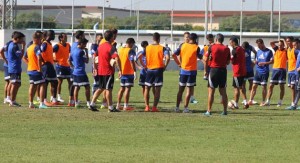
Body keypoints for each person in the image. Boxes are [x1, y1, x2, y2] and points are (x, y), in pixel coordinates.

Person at [89, 30, 121, 112]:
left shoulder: (100, 46)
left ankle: (92, 104)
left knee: (100, 88)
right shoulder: (111, 47)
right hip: (108, 72)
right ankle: (110, 107)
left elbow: (94, 57)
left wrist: (95, 68)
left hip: (100, 71)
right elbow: (116, 58)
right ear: (112, 37)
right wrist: (120, 70)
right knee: (108, 89)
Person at [172, 33, 201, 113]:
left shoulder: (182, 46)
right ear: (195, 39)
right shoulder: (196, 47)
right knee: (188, 91)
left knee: (180, 90)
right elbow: (201, 57)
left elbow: (173, 54)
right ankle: (185, 108)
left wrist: (178, 63)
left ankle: (177, 107)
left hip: (183, 71)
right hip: (192, 72)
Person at [203, 33, 230, 116]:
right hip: (223, 71)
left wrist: (205, 70)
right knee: (223, 91)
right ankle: (225, 111)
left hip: (214, 70)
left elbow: (205, 58)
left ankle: (209, 111)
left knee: (211, 91)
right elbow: (228, 62)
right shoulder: (227, 48)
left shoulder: (212, 47)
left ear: (216, 39)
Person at [143, 32, 170, 112]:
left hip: (149, 69)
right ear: (159, 39)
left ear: (153, 39)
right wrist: (165, 66)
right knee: (157, 89)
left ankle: (147, 106)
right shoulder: (162, 48)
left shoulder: (147, 48)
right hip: (158, 69)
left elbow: (141, 56)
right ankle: (154, 107)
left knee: (147, 88)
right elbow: (167, 58)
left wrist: (145, 65)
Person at [23, 31, 47, 109]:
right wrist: (40, 68)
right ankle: (41, 103)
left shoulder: (29, 47)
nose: (41, 41)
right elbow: (39, 57)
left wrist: (29, 64)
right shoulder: (36, 47)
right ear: (36, 39)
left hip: (30, 70)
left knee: (32, 86)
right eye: (40, 39)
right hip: (36, 70)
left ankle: (31, 103)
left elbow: (24, 57)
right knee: (43, 84)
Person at [248, 39, 273, 106]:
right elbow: (256, 60)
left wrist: (264, 63)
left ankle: (263, 101)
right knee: (254, 86)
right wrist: (255, 62)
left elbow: (272, 61)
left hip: (265, 72)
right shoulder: (258, 51)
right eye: (257, 45)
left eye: (259, 45)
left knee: (263, 86)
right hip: (258, 71)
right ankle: (250, 100)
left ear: (262, 43)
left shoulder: (269, 51)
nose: (258, 46)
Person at [264, 40, 287, 107]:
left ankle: (280, 101)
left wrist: (284, 41)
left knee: (281, 86)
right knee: (271, 86)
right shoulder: (276, 49)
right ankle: (267, 101)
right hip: (275, 70)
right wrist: (278, 40)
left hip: (282, 70)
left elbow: (287, 46)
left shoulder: (285, 50)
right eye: (279, 45)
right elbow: (271, 43)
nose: (279, 46)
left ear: (283, 45)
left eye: (281, 45)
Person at [69, 38, 90, 108]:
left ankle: (76, 103)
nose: (85, 46)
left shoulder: (73, 51)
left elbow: (68, 60)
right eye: (85, 44)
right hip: (81, 72)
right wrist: (86, 52)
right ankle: (88, 102)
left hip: (75, 72)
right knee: (87, 87)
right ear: (81, 44)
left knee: (76, 87)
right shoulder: (81, 52)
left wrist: (72, 66)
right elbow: (86, 61)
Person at [116, 38, 136, 111]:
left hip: (122, 71)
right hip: (128, 72)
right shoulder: (130, 50)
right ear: (130, 43)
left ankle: (118, 105)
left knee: (121, 89)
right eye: (133, 44)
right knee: (127, 89)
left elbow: (117, 60)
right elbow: (131, 61)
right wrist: (134, 71)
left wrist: (119, 70)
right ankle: (125, 106)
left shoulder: (121, 49)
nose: (133, 46)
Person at [228, 36, 248, 109]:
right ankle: (245, 102)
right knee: (242, 87)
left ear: (233, 42)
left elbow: (232, 61)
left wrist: (229, 57)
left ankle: (235, 104)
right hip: (243, 70)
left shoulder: (234, 50)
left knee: (236, 88)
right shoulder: (242, 49)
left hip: (237, 71)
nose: (230, 44)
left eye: (230, 42)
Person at [7, 31, 25, 107]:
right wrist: (23, 47)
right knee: (15, 84)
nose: (22, 40)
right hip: (15, 68)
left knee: (15, 83)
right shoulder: (14, 46)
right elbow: (20, 56)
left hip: (12, 67)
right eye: (21, 39)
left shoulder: (10, 44)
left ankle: (11, 99)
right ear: (17, 39)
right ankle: (12, 101)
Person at [41, 30, 59, 106]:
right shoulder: (44, 44)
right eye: (53, 34)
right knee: (46, 83)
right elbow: (40, 53)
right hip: (46, 66)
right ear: (49, 35)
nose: (54, 36)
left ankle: (53, 99)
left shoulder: (50, 44)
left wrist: (52, 60)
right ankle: (44, 100)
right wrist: (44, 62)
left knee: (55, 82)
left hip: (50, 65)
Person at [53, 32, 72, 103]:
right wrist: (53, 59)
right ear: (61, 38)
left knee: (70, 82)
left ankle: (71, 97)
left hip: (67, 66)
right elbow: (49, 52)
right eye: (65, 37)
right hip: (60, 66)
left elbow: (70, 53)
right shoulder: (57, 46)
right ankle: (58, 96)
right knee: (59, 82)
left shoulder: (68, 45)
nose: (66, 38)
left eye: (66, 36)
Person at [68, 30, 85, 107]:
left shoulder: (74, 45)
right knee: (74, 85)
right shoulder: (76, 45)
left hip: (75, 68)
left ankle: (73, 100)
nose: (84, 36)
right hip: (76, 69)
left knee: (74, 85)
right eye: (83, 35)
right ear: (81, 36)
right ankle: (72, 101)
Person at [0, 32, 16, 104]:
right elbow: (1, 51)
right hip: (9, 65)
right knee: (9, 81)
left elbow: (1, 51)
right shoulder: (10, 44)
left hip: (8, 64)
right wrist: (6, 60)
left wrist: (5, 60)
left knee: (8, 82)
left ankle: (6, 98)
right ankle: (7, 97)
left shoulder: (10, 44)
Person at [286, 39, 300, 110]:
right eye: (293, 45)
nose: (294, 47)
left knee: (297, 89)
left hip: (297, 73)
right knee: (297, 89)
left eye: (295, 45)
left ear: (298, 44)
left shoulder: (298, 52)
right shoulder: (297, 51)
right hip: (296, 73)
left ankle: (294, 105)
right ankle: (294, 104)